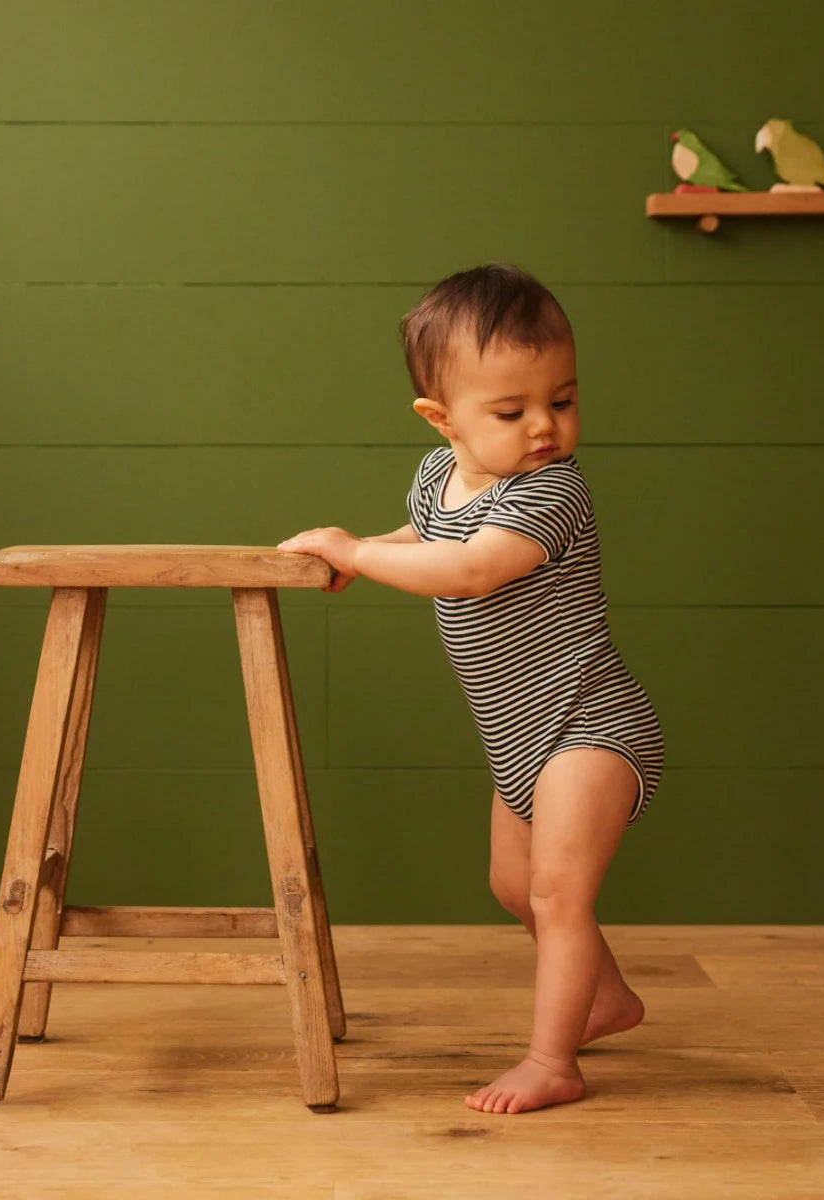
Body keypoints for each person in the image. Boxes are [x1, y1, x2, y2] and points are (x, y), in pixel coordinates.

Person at [278, 262, 665, 1115]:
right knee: (511, 886)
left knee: (560, 894)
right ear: (442, 420)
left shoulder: (553, 490)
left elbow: (469, 568)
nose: (544, 427)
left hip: (589, 726)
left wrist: (358, 554)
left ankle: (552, 1059)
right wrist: (366, 553)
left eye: (562, 402)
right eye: (512, 411)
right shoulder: (435, 476)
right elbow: (424, 533)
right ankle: (605, 999)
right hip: (518, 738)